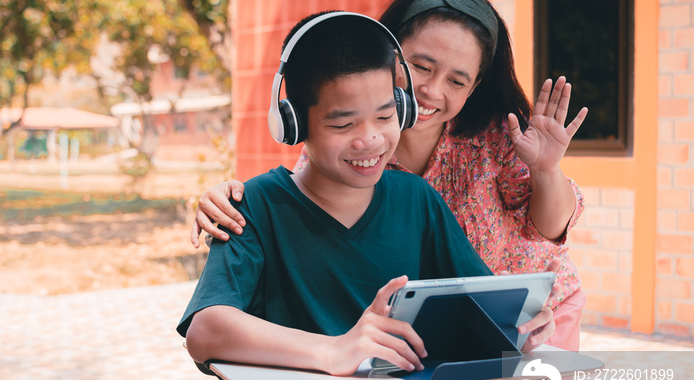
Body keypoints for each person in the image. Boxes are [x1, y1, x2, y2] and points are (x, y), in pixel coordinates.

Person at [179, 11, 642, 380]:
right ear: (293, 123)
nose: (371, 140)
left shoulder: (415, 198)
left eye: (385, 115)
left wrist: (520, 325)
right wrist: (336, 349)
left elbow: (483, 308)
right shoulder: (256, 207)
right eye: (343, 124)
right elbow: (205, 329)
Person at [190, 0, 588, 353]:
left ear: (474, 86)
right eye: (421, 67)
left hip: (526, 312)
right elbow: (297, 207)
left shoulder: (498, 135)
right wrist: (229, 197)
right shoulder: (344, 161)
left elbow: (549, 228)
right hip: (432, 340)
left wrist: (545, 169)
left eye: (457, 80)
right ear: (391, 56)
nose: (431, 91)